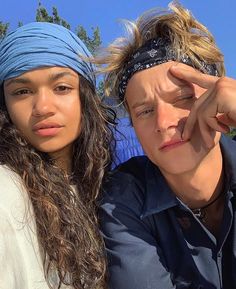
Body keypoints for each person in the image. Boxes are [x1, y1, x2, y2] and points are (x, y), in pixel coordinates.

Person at [95, 2, 236, 289]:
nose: (163, 122)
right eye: (144, 111)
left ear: (218, 98)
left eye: (182, 98)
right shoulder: (122, 198)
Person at [0, 22, 114, 289]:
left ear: (85, 97)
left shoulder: (107, 189)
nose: (42, 107)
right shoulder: (6, 191)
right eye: (22, 91)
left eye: (61, 87)